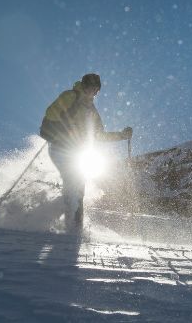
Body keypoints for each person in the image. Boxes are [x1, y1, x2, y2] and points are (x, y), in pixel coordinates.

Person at [40, 73, 133, 231]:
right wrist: (60, 124)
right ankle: (72, 226)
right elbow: (51, 111)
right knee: (74, 182)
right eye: (91, 87)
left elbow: (99, 135)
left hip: (78, 152)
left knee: (78, 187)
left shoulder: (92, 111)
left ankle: (71, 224)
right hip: (60, 146)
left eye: (96, 89)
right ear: (84, 85)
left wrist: (122, 136)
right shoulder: (71, 96)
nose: (94, 92)